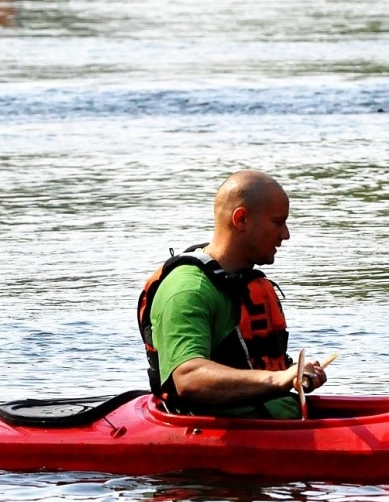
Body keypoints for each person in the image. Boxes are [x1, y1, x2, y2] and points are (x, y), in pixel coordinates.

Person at [137, 171, 328, 419]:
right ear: (241, 219)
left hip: (277, 422)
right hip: (219, 436)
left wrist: (295, 373)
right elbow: (188, 377)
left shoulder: (240, 282)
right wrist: (279, 378)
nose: (286, 234)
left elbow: (253, 367)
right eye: (278, 222)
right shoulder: (187, 290)